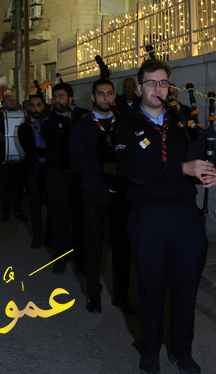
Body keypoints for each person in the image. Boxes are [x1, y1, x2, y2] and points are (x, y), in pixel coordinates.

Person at [115, 58, 216, 374]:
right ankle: (150, 349)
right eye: (150, 83)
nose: (157, 89)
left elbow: (214, 151)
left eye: (163, 83)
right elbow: (135, 171)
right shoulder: (126, 125)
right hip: (147, 216)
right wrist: (182, 168)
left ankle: (181, 349)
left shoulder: (183, 121)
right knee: (151, 287)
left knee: (186, 287)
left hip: (185, 215)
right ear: (139, 88)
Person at [70, 78, 134, 314]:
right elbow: (75, 161)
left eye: (109, 93)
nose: (105, 98)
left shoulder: (124, 123)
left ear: (114, 96)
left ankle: (121, 296)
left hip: (121, 193)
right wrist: (103, 167)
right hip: (93, 191)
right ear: (93, 97)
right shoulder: (81, 126)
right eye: (100, 94)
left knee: (121, 246)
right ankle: (93, 295)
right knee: (93, 244)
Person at [43, 81, 88, 273]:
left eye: (61, 97)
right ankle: (62, 256)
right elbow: (64, 141)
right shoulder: (48, 120)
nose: (57, 101)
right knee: (59, 217)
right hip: (57, 175)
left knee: (80, 218)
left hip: (78, 176)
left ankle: (80, 259)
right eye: (54, 97)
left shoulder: (81, 117)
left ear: (70, 99)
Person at [18, 93, 49, 249]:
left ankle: (50, 237)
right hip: (35, 170)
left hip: (51, 170)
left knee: (53, 205)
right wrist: (50, 152)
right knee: (35, 206)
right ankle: (37, 237)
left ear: (43, 106)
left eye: (38, 105)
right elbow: (31, 150)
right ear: (28, 107)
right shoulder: (25, 127)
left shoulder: (49, 123)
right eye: (32, 106)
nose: (35, 109)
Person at [0, 93, 26, 222]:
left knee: (18, 187)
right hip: (4, 156)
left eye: (13, 100)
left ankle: (18, 211)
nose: (12, 102)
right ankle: (6, 213)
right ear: (4, 104)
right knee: (6, 187)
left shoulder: (22, 116)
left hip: (19, 158)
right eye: (9, 100)